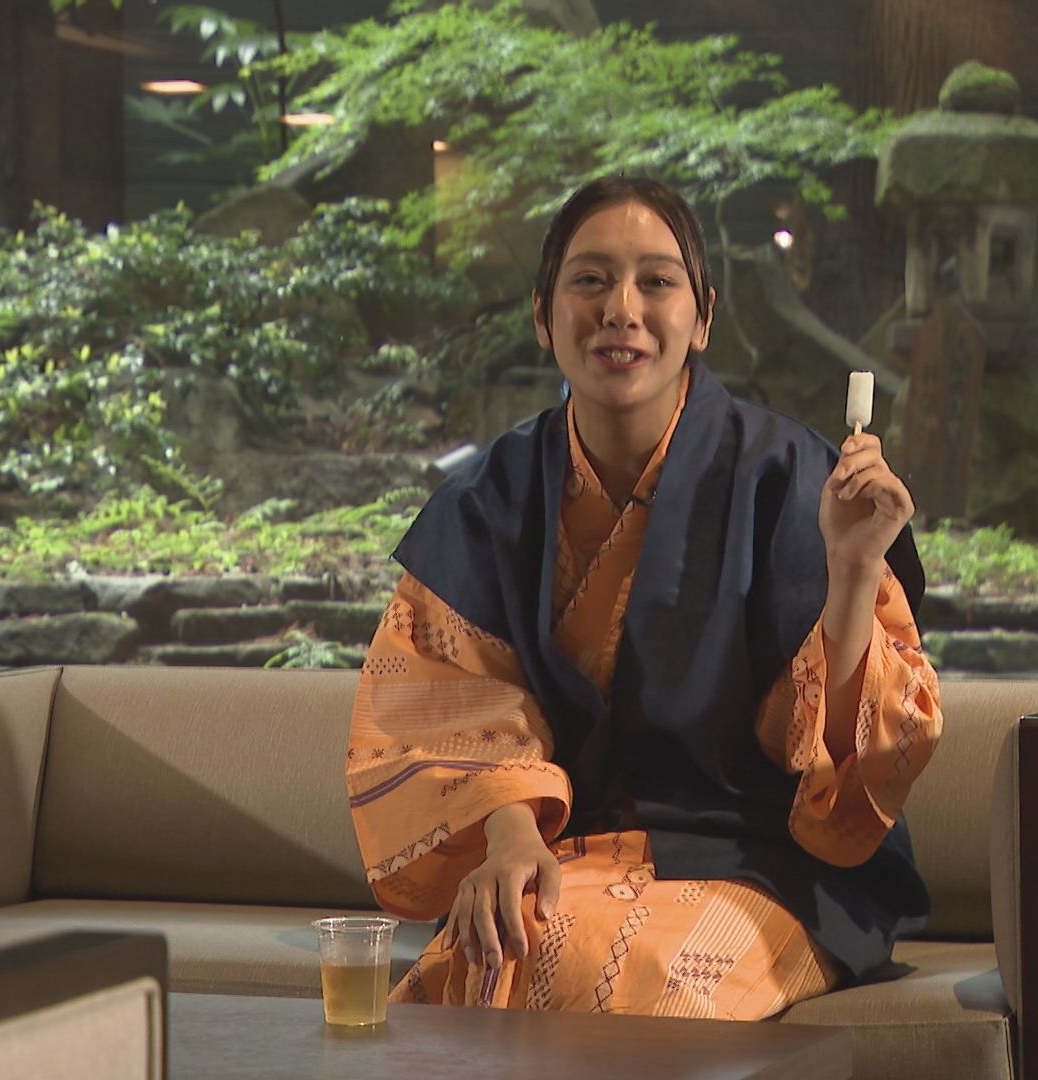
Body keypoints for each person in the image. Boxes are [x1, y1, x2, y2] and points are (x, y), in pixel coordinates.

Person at [344, 175, 942, 1018]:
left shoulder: (790, 477)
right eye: (589, 280)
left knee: (631, 977)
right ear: (542, 314)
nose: (621, 309)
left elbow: (843, 773)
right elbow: (448, 710)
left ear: (702, 317)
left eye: (656, 281)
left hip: (761, 863)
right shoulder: (488, 500)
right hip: (562, 852)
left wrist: (850, 571)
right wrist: (508, 835)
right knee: (483, 965)